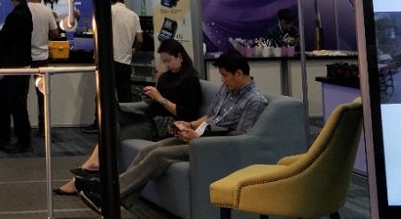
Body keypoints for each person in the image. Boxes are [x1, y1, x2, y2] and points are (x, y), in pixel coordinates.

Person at [74, 49, 268, 213]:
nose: (223, 80)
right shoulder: (227, 89)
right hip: (200, 136)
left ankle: (108, 196)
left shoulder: (255, 101)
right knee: (149, 150)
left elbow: (239, 138)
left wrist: (199, 138)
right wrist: (190, 125)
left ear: (239, 73)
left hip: (212, 145)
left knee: (158, 156)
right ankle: (113, 199)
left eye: (225, 76)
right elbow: (211, 116)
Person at [54, 39, 202, 195]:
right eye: (164, 61)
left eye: (168, 60)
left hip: (162, 125)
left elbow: (186, 114)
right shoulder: (166, 77)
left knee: (113, 133)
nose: (166, 65)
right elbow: (158, 105)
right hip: (150, 118)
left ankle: (90, 170)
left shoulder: (190, 80)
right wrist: (150, 99)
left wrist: (160, 99)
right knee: (112, 121)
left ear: (180, 56)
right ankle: (92, 169)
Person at [84, 0, 143, 133]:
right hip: (125, 61)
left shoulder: (106, 12)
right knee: (124, 95)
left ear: (110, 1)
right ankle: (126, 125)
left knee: (102, 94)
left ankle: (99, 124)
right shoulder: (133, 15)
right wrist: (133, 50)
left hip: (107, 61)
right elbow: (140, 39)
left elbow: (96, 34)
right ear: (123, 0)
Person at [0, 0, 34, 153]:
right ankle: (10, 137)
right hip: (21, 64)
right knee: (11, 102)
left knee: (11, 103)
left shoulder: (16, 15)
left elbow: (4, 38)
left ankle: (18, 139)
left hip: (14, 66)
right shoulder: (27, 12)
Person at [27, 0, 60, 134]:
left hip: (25, 57)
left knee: (22, 94)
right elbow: (55, 33)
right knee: (42, 94)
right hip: (42, 58)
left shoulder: (23, 9)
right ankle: (43, 127)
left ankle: (23, 127)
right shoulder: (47, 11)